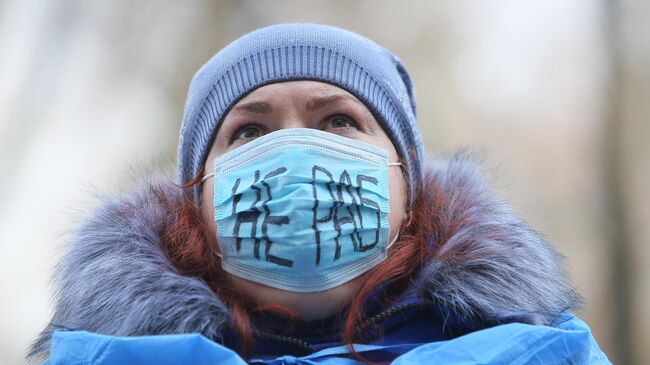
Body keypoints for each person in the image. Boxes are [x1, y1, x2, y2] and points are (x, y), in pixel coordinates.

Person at [28, 23, 609, 364]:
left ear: (408, 180)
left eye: (337, 121)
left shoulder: (541, 353)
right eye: (249, 131)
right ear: (196, 199)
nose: (295, 155)